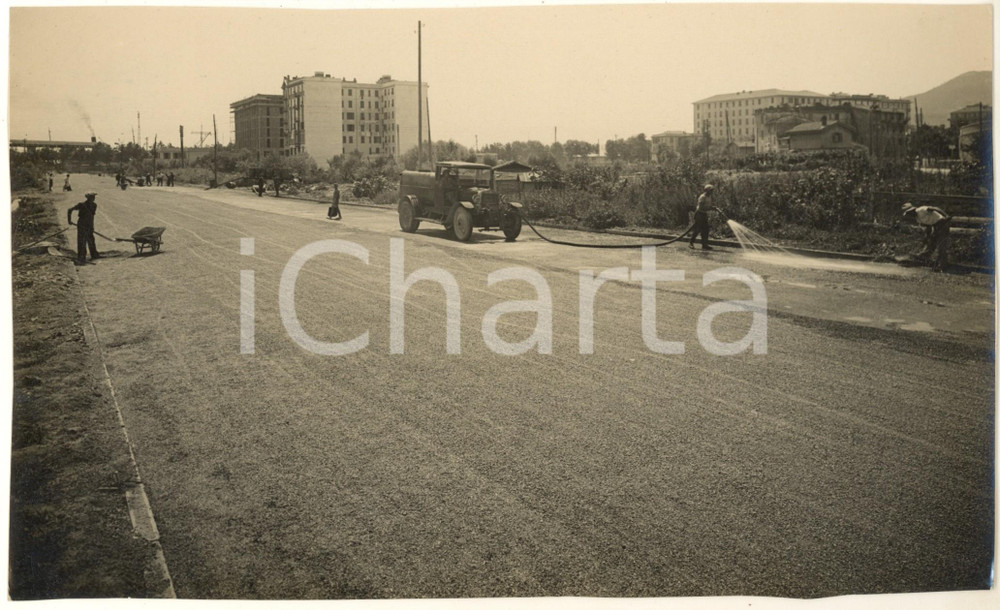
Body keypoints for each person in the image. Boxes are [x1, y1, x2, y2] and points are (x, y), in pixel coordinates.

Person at [902, 202, 951, 270]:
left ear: (912, 210)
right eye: (908, 214)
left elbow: (935, 208)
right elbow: (928, 226)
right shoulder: (917, 218)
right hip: (935, 226)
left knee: (941, 244)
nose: (909, 215)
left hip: (942, 222)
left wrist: (946, 215)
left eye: (909, 212)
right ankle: (926, 259)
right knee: (931, 243)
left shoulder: (921, 209)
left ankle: (942, 265)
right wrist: (927, 236)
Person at [68, 192, 100, 264]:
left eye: (94, 197)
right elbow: (70, 210)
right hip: (82, 225)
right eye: (91, 197)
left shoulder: (94, 205)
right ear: (88, 198)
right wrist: (69, 220)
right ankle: (81, 257)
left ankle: (94, 254)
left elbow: (92, 217)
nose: (93, 198)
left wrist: (92, 227)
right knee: (82, 241)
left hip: (89, 225)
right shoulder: (81, 205)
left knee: (91, 239)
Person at [689, 184, 719, 250]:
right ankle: (691, 243)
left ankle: (704, 245)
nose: (711, 192)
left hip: (704, 214)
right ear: (706, 190)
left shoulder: (709, 197)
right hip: (699, 214)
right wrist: (711, 208)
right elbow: (701, 207)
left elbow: (707, 206)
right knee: (697, 229)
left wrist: (712, 207)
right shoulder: (702, 197)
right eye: (710, 190)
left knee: (705, 230)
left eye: (712, 191)